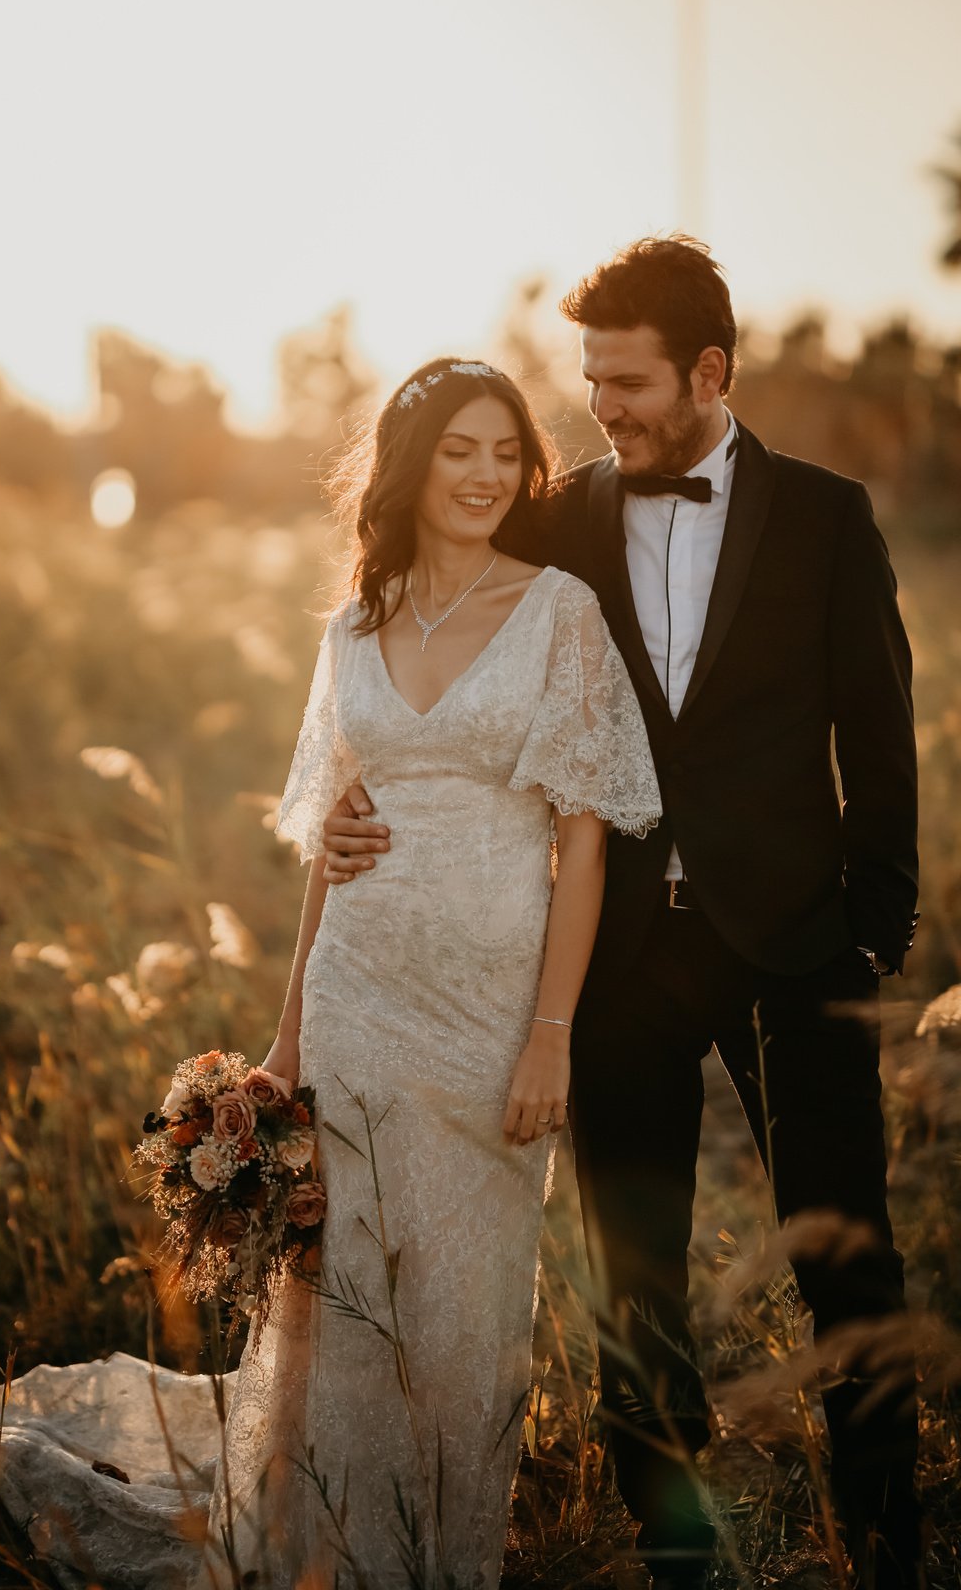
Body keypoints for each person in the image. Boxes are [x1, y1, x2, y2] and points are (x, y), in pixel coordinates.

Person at [322, 240, 921, 1590]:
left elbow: (879, 742)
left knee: (854, 1270)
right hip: (619, 959)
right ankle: (674, 1557)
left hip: (797, 948)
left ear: (710, 373)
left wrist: (874, 934)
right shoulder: (563, 520)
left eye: (631, 380)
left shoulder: (829, 519)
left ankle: (886, 1547)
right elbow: (438, 622)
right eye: (592, 378)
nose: (607, 406)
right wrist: (369, 799)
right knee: (634, 1285)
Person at [194, 358, 661, 1589]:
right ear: (410, 467)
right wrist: (288, 1039)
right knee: (345, 1308)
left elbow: (584, 843)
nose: (488, 476)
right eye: (460, 450)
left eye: (507, 454)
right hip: (357, 993)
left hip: (491, 1013)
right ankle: (341, 1560)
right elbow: (328, 841)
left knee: (466, 1325)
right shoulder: (355, 621)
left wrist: (550, 1033)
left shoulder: (559, 611)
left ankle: (445, 1562)